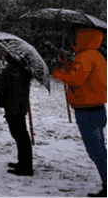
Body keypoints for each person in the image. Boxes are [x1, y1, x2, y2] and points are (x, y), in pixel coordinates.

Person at [52, 28, 107, 198]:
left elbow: (76, 79)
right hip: (95, 108)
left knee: (96, 151)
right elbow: (82, 76)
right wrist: (67, 65)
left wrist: (57, 73)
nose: (73, 39)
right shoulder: (94, 55)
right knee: (98, 150)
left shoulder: (86, 56)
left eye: (76, 37)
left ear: (84, 38)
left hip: (87, 111)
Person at [0, 49, 33, 177]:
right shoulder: (16, 67)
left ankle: (26, 167)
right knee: (20, 136)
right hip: (16, 107)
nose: (4, 55)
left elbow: (14, 90)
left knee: (20, 136)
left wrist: (12, 111)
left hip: (15, 108)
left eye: (6, 53)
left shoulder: (16, 69)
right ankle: (23, 163)